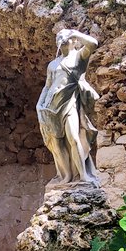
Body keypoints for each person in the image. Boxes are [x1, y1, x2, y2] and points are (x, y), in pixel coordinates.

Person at [36, 28, 100, 184]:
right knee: (56, 143)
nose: (61, 38)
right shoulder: (52, 64)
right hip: (50, 106)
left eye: (65, 36)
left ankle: (83, 175)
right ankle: (66, 176)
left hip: (69, 103)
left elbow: (93, 44)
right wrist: (39, 104)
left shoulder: (79, 57)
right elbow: (47, 86)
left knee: (74, 138)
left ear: (74, 41)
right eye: (58, 36)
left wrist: (75, 33)